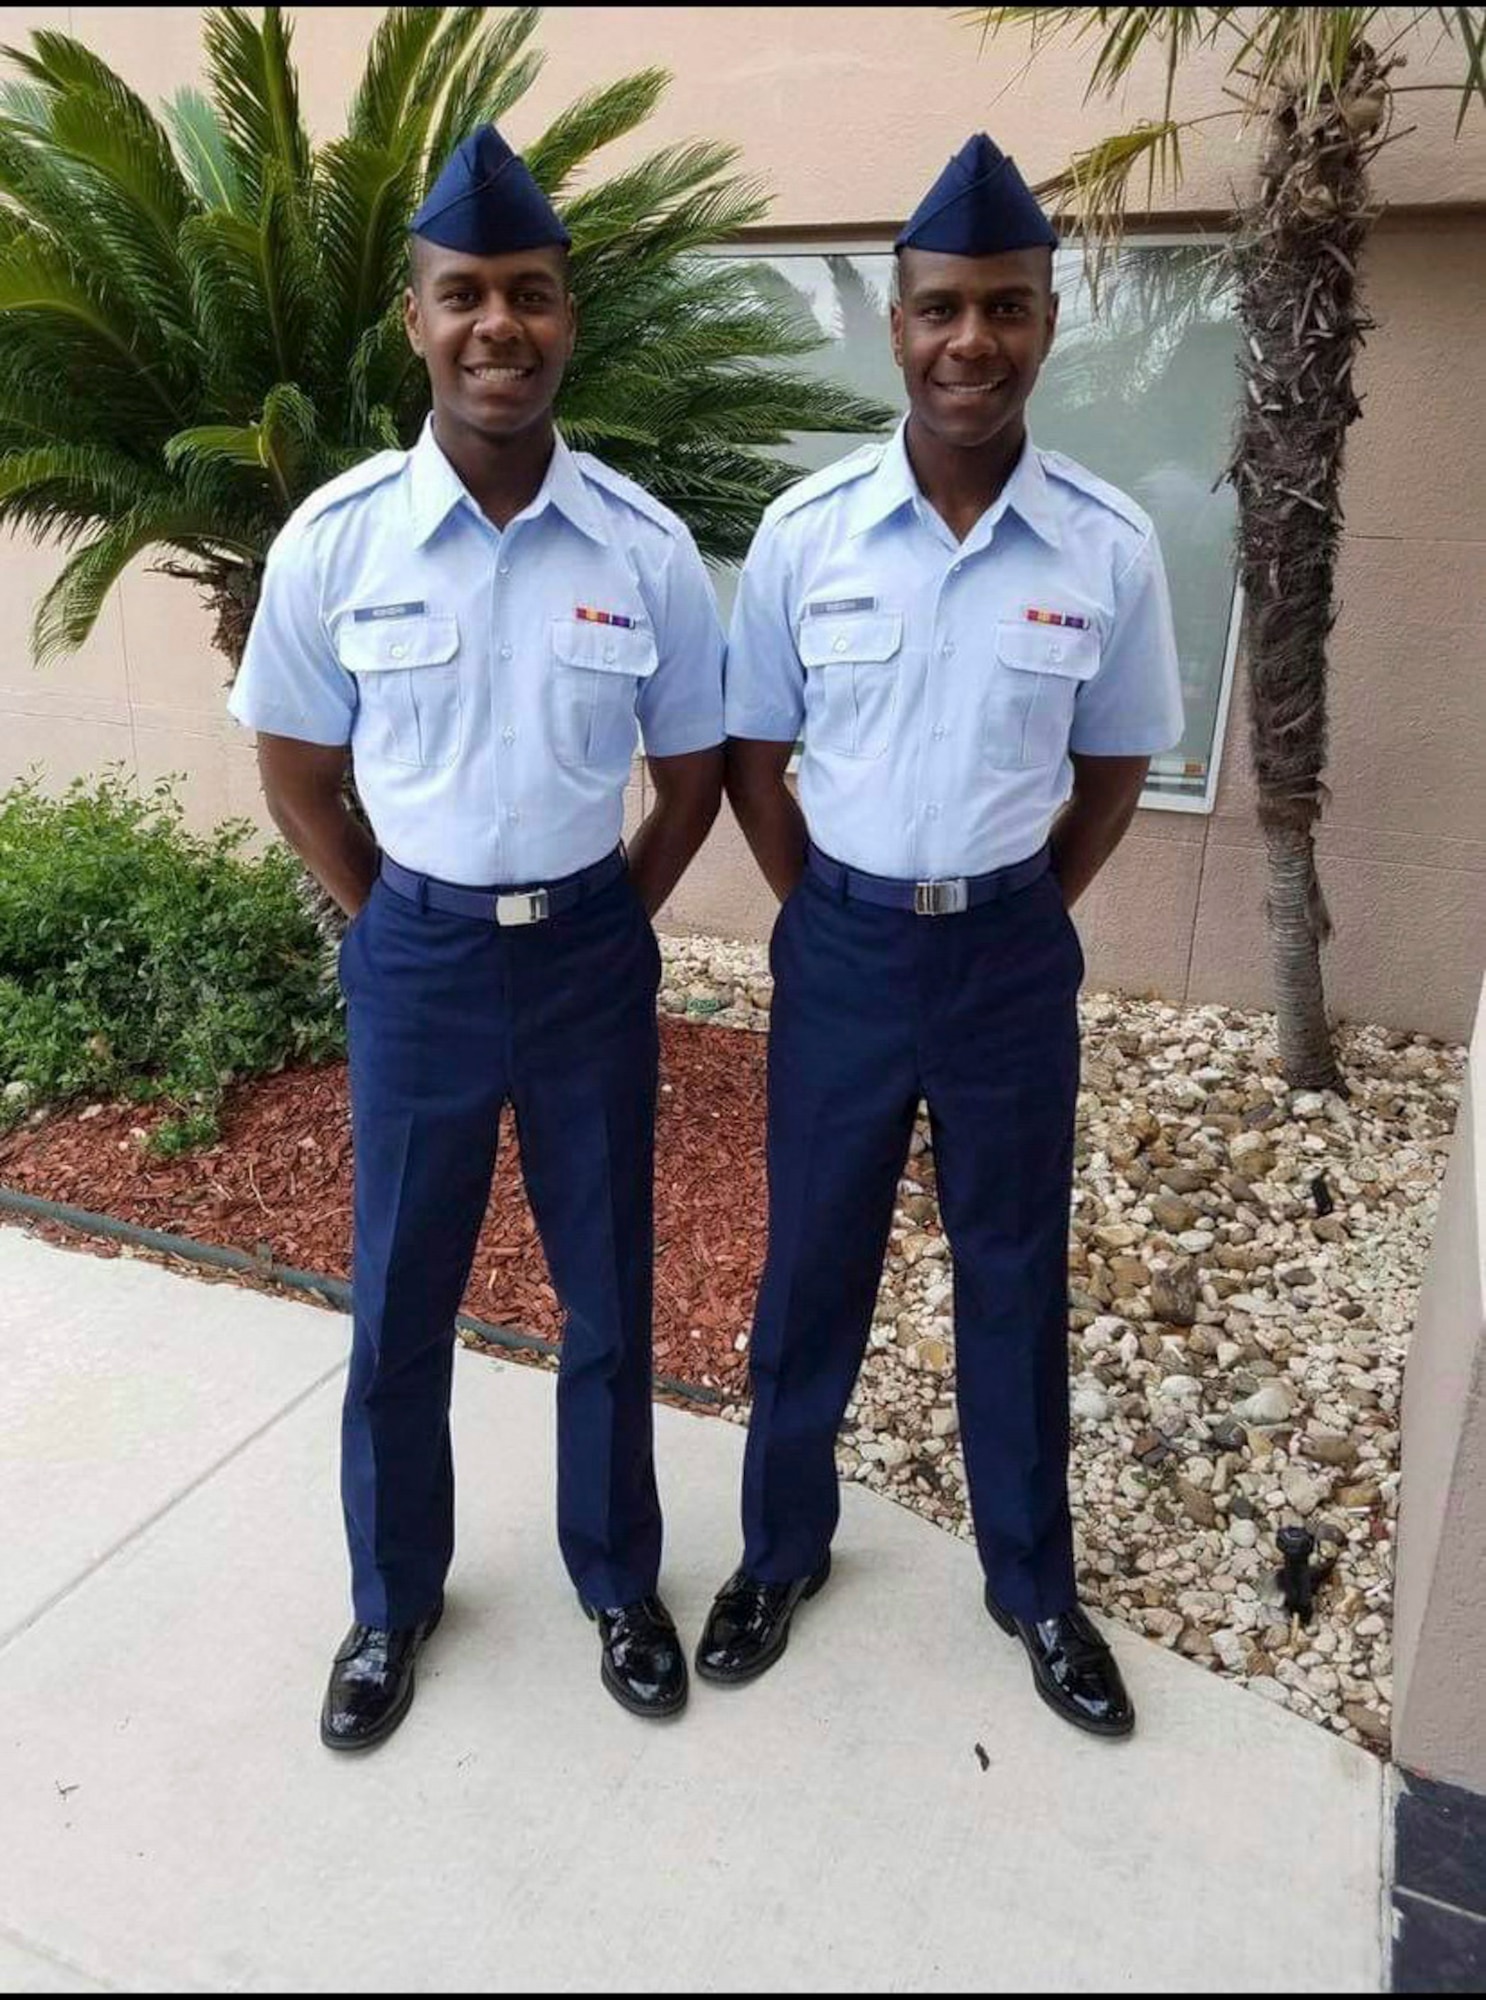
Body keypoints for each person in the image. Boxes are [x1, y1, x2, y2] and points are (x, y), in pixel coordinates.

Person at [228, 126, 725, 1746]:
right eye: (464, 296)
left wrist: (615, 919)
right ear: (415, 321)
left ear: (567, 317)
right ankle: (390, 1605)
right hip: (422, 954)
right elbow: (297, 774)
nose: (496, 325)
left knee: (605, 1291)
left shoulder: (643, 548)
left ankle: (613, 1581)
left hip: (585, 950)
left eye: (527, 294)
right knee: (401, 1298)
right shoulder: (339, 539)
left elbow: (696, 770)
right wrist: (389, 928)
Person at [699, 134, 1183, 1738]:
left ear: (1047, 323)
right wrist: (818, 910)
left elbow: (1113, 768)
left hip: (1004, 958)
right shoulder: (807, 532)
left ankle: (1033, 1583)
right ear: (893, 329)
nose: (968, 340)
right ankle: (779, 1550)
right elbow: (751, 756)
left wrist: (1024, 900)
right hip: (839, 947)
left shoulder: (1105, 546)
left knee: (1011, 1267)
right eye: (937, 311)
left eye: (1005, 308)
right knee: (812, 1263)